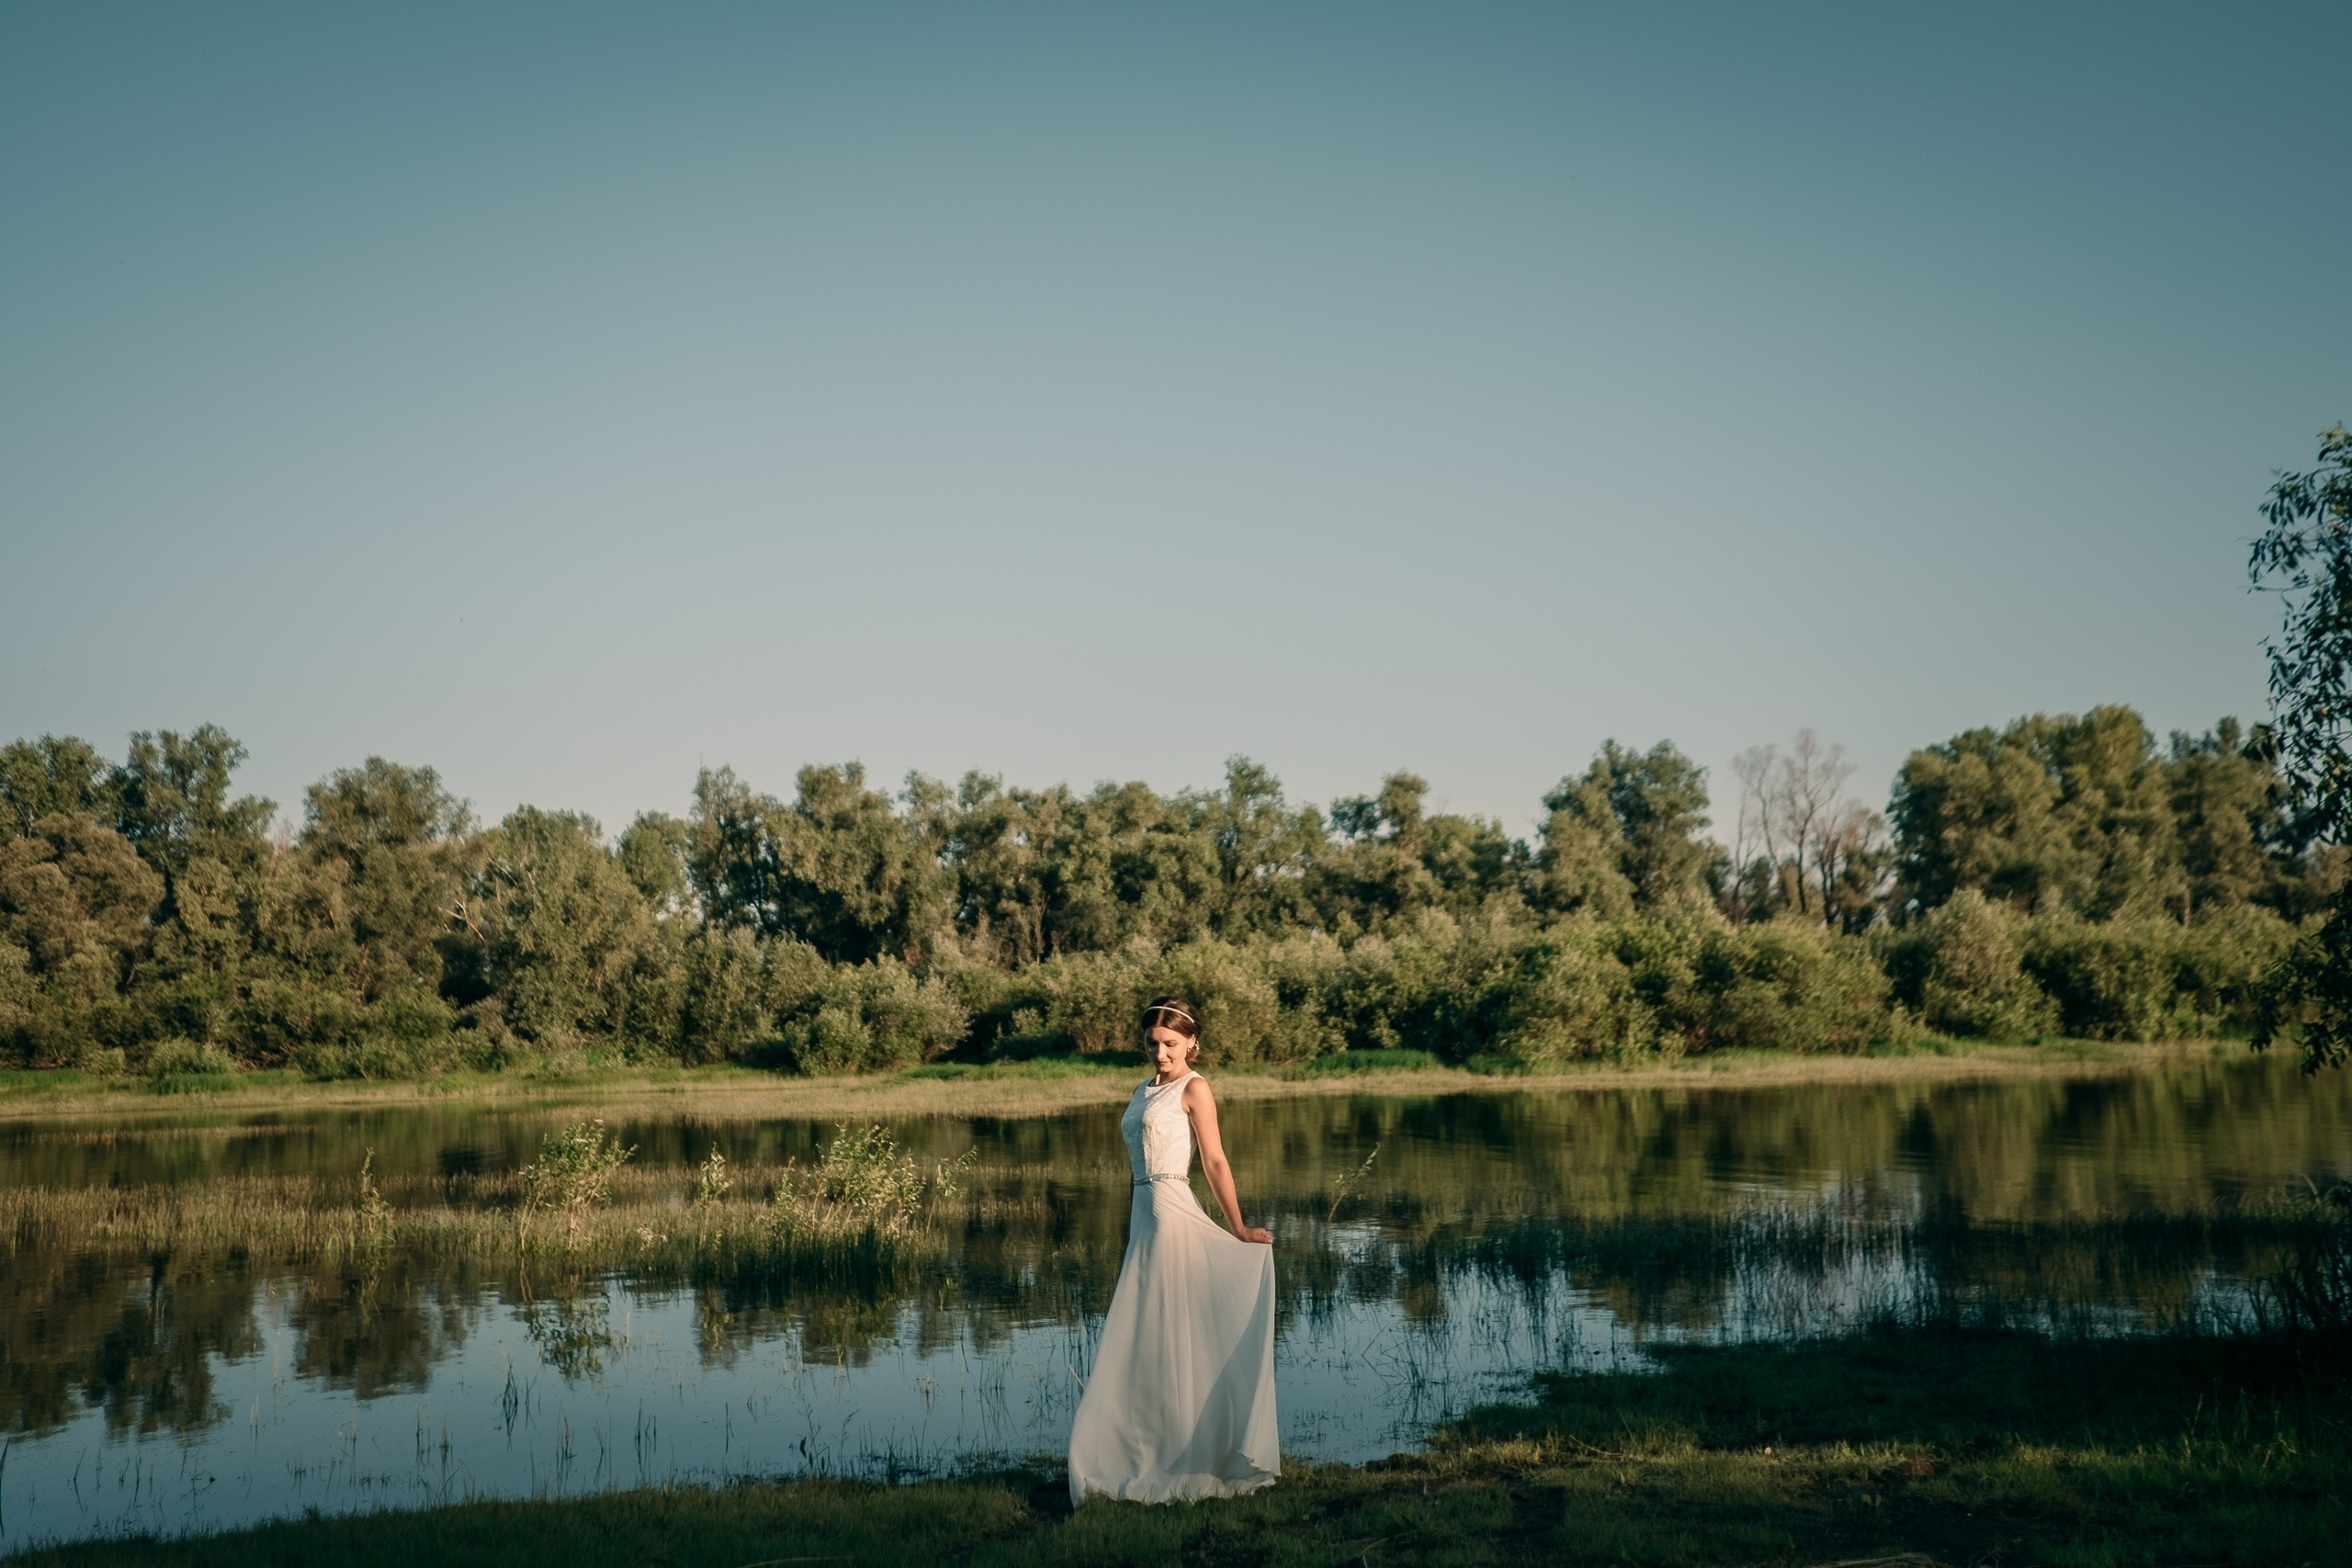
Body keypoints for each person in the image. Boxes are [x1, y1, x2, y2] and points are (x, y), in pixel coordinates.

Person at [1066, 996, 1280, 1504]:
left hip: (1171, 1212)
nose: (1160, 1053)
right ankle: (1149, 1448)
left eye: (1169, 1044)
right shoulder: (1142, 1090)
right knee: (1148, 1335)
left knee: (1171, 1329)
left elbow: (1215, 1161)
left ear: (1191, 1043)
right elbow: (1137, 1163)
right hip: (1144, 1216)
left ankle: (1193, 1454)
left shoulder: (1195, 1087)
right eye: (1152, 1044)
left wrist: (1239, 1227)